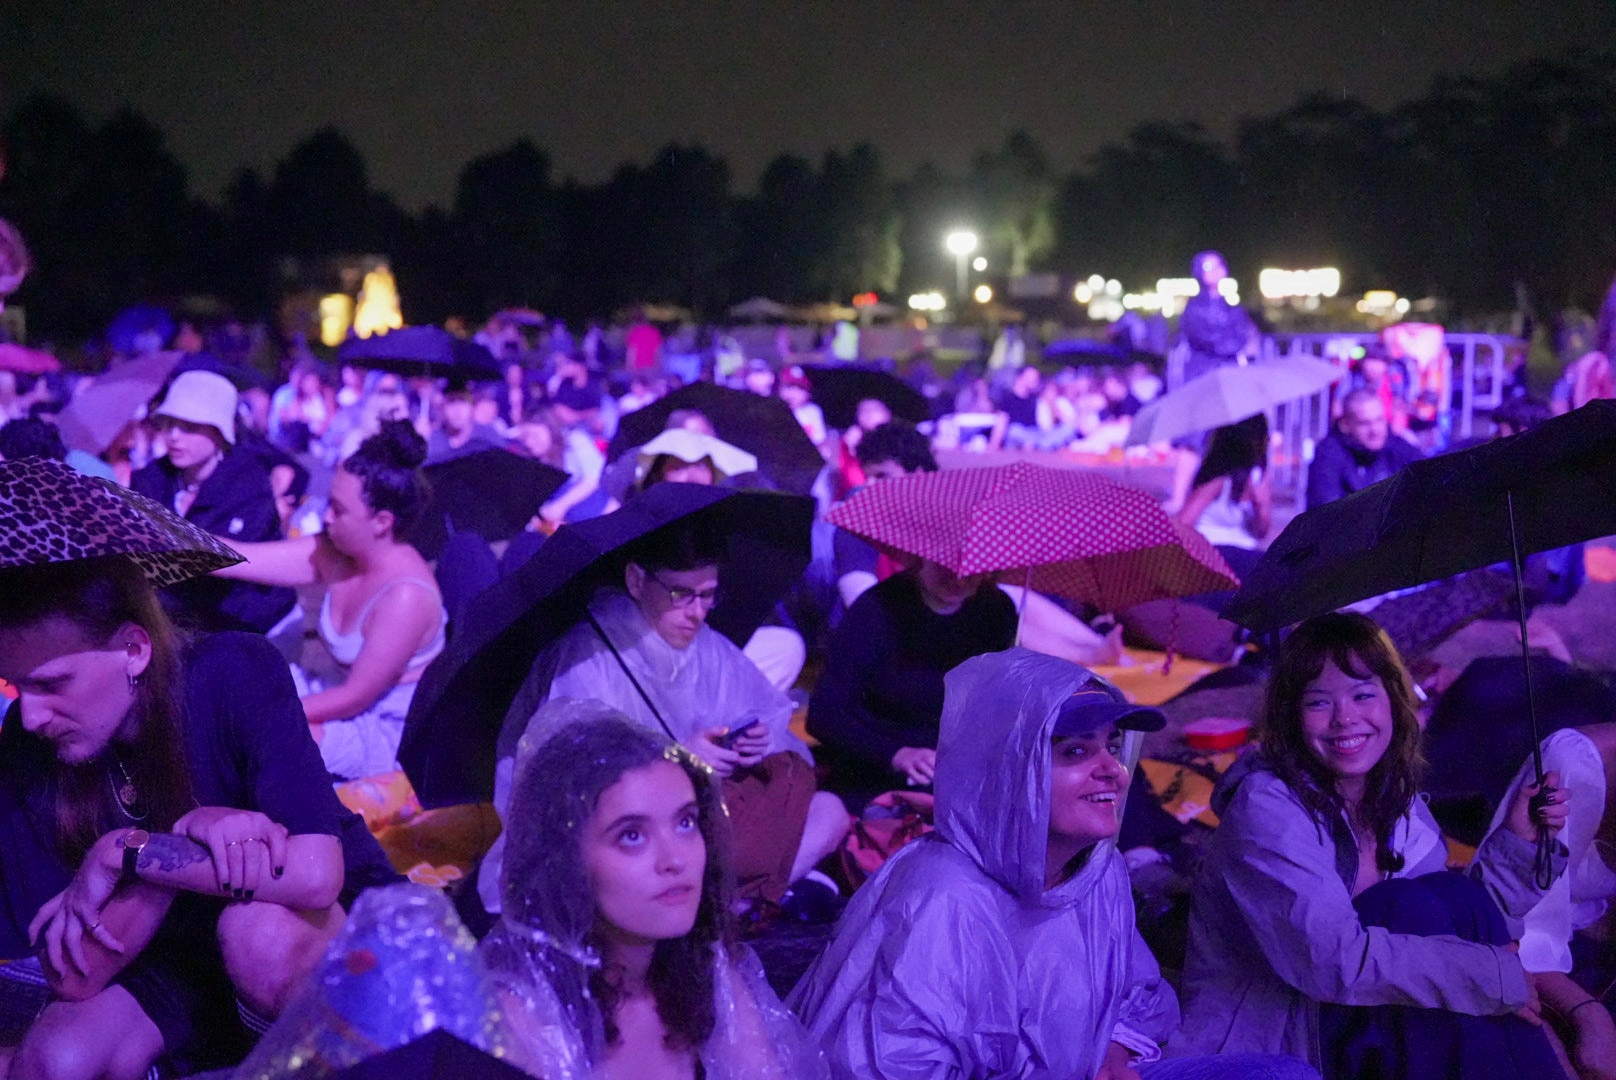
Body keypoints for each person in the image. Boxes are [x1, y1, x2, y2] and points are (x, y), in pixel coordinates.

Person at [791, 648, 1317, 1079]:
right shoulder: (942, 897)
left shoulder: (1097, 873)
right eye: (1074, 753)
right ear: (1006, 772)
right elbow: (886, 1066)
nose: (1112, 769)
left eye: (1112, 747)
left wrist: (1112, 1049)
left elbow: (1134, 994)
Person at [0, 535, 396, 1076]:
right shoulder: (28, 746)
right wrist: (161, 860)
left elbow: (315, 875)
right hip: (179, 954)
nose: (31, 716)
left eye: (53, 684)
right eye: (19, 687)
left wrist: (122, 852)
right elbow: (74, 975)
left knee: (255, 935)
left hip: (323, 931)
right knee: (58, 1058)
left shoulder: (232, 671)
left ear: (133, 650)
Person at [1174, 612, 1570, 1077]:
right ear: (1290, 717)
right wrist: (1493, 977)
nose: (1345, 719)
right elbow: (1330, 962)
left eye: (1363, 695)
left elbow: (1463, 930)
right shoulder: (1267, 807)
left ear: (1394, 702)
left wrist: (1516, 846)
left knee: (1450, 897)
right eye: (1318, 703)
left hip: (1370, 1017)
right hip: (1287, 1027)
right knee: (1408, 910)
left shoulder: (1392, 793)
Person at [480, 518, 848, 920]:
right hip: (633, 833)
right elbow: (571, 776)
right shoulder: (590, 653)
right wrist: (673, 759)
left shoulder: (708, 646)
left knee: (830, 811)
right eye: (681, 595)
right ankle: (742, 899)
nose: (697, 612)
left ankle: (739, 901)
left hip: (709, 815)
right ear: (636, 581)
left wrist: (753, 742)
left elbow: (768, 720)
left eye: (709, 595)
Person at [481, 705, 829, 1079]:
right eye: (632, 835)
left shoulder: (704, 971)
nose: (674, 859)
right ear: (563, 860)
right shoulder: (523, 1018)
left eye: (685, 822)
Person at [211, 420, 447, 780]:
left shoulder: (406, 596)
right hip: (335, 697)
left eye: (338, 509)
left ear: (381, 522)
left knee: (264, 734)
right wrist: (171, 543)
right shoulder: (336, 549)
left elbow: (356, 696)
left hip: (382, 731)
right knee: (233, 680)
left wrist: (272, 712)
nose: (325, 516)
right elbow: (243, 559)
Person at [808, 559, 1017, 808]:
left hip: (956, 766)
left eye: (972, 570)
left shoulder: (996, 610)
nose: (959, 578)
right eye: (947, 566)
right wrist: (897, 754)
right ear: (923, 557)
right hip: (876, 765)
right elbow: (824, 715)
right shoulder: (877, 609)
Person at [131, 369, 299, 637]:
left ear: (220, 431)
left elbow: (221, 564)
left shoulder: (248, 481)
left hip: (253, 625)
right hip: (182, 625)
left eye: (189, 426)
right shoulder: (151, 479)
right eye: (168, 423)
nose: (174, 436)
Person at [1175, 413, 1272, 584]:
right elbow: (1183, 524)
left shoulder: (1258, 477)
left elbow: (1261, 532)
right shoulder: (1218, 480)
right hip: (1214, 553)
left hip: (1247, 553)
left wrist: (1261, 507)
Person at [1305, 388, 1424, 509]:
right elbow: (1325, 508)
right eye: (1364, 423)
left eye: (1379, 420)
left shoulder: (1399, 449)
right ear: (1345, 424)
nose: (1375, 430)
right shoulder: (1328, 454)